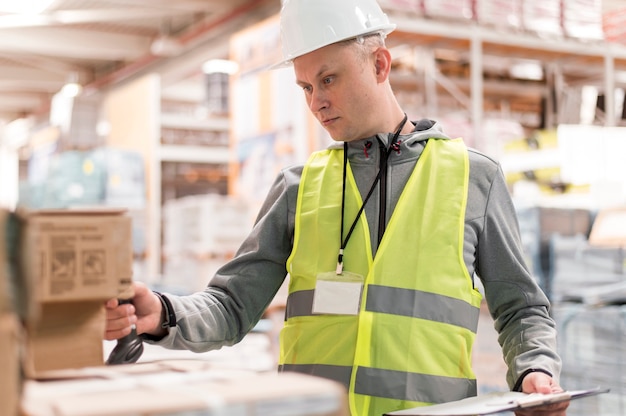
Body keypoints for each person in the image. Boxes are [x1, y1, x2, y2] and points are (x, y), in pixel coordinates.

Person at [105, 0, 568, 415]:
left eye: (328, 79)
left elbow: (522, 308)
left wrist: (534, 369)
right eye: (305, 86)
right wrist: (164, 312)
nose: (316, 102)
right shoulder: (298, 187)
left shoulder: (473, 178)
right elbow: (230, 305)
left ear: (380, 64)